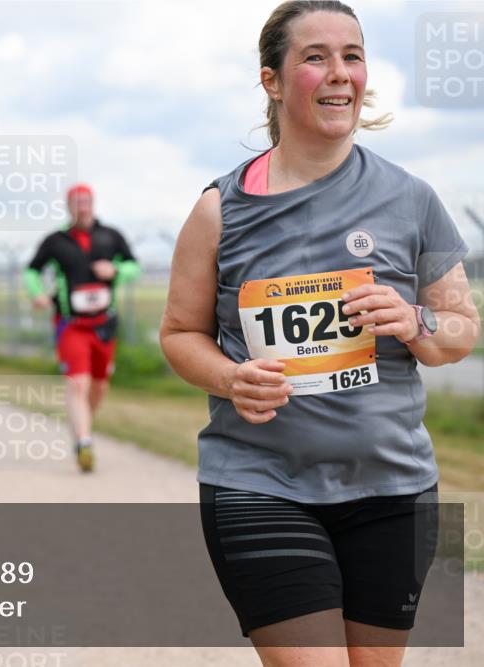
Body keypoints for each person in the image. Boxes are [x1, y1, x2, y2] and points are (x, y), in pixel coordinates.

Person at [160, 2, 480, 664]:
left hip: (392, 489)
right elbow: (179, 332)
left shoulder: (411, 198)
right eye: (315, 57)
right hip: (260, 482)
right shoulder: (220, 210)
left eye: (352, 55)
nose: (339, 73)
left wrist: (414, 321)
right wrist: (229, 375)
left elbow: (460, 331)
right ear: (272, 81)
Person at [23, 183, 140, 472]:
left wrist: (116, 271)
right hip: (70, 324)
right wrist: (36, 293)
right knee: (77, 383)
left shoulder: (110, 236)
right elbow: (31, 270)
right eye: (76, 202)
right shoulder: (55, 241)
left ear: (93, 203)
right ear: (69, 206)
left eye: (86, 201)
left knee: (99, 385)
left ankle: (81, 427)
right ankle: (84, 442)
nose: (82, 206)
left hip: (104, 324)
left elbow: (134, 266)